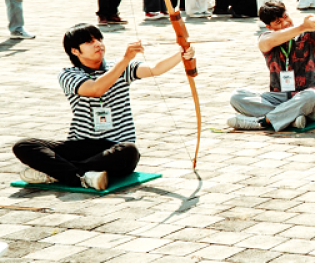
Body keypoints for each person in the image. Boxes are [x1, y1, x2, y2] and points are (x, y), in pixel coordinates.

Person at [12, 23, 194, 190]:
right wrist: (125, 59)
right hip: (81, 145)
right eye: (89, 42)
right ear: (75, 51)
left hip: (114, 148)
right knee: (24, 146)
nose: (98, 44)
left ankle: (59, 174)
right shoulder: (68, 74)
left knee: (129, 151)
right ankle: (80, 175)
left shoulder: (121, 66)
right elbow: (95, 89)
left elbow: (155, 68)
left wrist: (181, 53)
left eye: (99, 39)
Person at [226, 1, 315, 131]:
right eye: (278, 22)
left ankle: (263, 121)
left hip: (307, 99)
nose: (286, 23)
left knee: (313, 96)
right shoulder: (266, 38)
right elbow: (269, 41)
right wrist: (301, 27)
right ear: (269, 26)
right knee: (237, 96)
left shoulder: (307, 35)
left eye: (286, 17)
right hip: (280, 97)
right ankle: (292, 118)